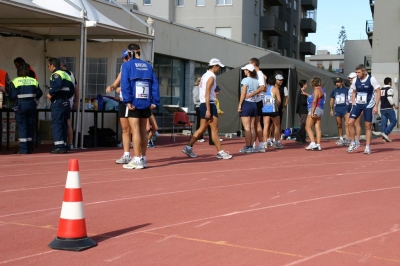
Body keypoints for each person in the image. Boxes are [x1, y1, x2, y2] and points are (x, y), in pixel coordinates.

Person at [182, 58, 232, 160]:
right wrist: (208, 110)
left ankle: (188, 147)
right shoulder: (211, 77)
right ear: (215, 66)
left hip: (204, 104)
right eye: (219, 67)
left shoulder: (205, 75)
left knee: (202, 129)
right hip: (208, 104)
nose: (219, 69)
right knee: (214, 130)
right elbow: (207, 93)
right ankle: (220, 152)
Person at [121, 49, 160, 169]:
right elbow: (155, 83)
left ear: (129, 54)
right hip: (146, 102)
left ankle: (137, 159)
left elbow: (125, 83)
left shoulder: (127, 65)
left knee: (135, 130)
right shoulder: (148, 66)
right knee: (143, 130)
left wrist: (127, 100)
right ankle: (143, 158)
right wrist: (155, 101)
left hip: (134, 102)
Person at [346, 64, 381, 154]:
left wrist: (376, 105)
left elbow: (378, 91)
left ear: (364, 72)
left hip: (368, 104)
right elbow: (354, 92)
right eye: (356, 72)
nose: (357, 74)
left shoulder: (371, 79)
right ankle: (353, 143)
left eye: (359, 72)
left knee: (367, 126)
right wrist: (353, 104)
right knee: (350, 123)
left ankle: (367, 147)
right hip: (358, 104)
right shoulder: (355, 80)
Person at [8, 64, 43, 154]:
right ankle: (30, 147)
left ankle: (23, 149)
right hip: (31, 106)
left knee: (22, 126)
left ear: (18, 72)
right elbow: (39, 93)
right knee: (30, 126)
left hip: (21, 106)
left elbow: (11, 96)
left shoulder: (15, 81)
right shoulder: (33, 81)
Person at [46, 58, 74, 154]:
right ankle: (63, 145)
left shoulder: (56, 74)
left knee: (57, 123)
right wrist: (66, 96)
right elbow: (72, 89)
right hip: (66, 101)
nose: (48, 68)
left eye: (48, 66)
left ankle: (59, 146)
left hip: (58, 101)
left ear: (52, 65)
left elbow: (57, 85)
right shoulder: (66, 74)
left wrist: (50, 94)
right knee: (63, 123)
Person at [59, 58, 79, 150]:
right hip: (70, 100)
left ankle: (64, 142)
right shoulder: (71, 74)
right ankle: (69, 143)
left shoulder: (61, 74)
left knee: (64, 121)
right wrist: (76, 101)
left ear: (61, 65)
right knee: (67, 121)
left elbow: (76, 89)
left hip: (64, 100)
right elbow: (76, 89)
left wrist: (76, 101)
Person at [238, 64, 259, 153]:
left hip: (246, 103)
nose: (244, 71)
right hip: (254, 104)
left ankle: (248, 146)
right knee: (252, 127)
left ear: (248, 71)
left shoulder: (245, 80)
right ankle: (251, 146)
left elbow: (243, 93)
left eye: (245, 70)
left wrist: (239, 104)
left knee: (246, 127)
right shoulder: (256, 81)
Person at [247, 58, 266, 151]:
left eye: (249, 64)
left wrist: (251, 94)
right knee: (253, 124)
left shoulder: (259, 74)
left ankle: (261, 144)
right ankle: (253, 143)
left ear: (253, 64)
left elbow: (262, 87)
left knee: (257, 123)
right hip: (255, 99)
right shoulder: (258, 74)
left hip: (257, 100)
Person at [305, 77, 326, 151]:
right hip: (321, 109)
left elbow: (314, 101)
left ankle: (313, 143)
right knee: (317, 128)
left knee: (307, 127)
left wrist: (312, 112)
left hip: (315, 109)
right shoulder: (323, 90)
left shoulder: (316, 90)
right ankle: (318, 144)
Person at [262, 75, 282, 149]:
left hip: (265, 110)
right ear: (275, 82)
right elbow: (279, 101)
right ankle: (276, 142)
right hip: (273, 110)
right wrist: (277, 105)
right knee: (277, 126)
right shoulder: (275, 89)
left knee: (266, 126)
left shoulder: (264, 89)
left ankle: (265, 142)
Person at [329, 77, 350, 146]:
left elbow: (349, 99)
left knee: (347, 124)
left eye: (338, 82)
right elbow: (331, 100)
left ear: (342, 82)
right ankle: (341, 138)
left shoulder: (346, 90)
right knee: (339, 124)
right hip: (337, 109)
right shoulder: (334, 91)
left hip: (345, 108)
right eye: (336, 83)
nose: (337, 84)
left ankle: (347, 138)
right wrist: (331, 109)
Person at [346, 72, 362, 148]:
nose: (350, 79)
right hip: (350, 105)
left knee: (356, 124)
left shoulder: (358, 86)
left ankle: (357, 140)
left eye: (351, 78)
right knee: (349, 123)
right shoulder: (351, 86)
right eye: (349, 78)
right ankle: (351, 139)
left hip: (357, 105)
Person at [380, 77, 398, 142]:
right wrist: (394, 105)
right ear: (389, 82)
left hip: (382, 108)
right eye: (391, 82)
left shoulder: (381, 89)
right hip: (389, 108)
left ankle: (384, 138)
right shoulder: (390, 89)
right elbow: (389, 98)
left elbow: (380, 98)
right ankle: (385, 133)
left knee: (384, 122)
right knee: (394, 121)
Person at [295, 79, 309, 144]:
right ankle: (298, 137)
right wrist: (309, 101)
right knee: (303, 124)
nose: (307, 85)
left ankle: (303, 138)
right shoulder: (302, 92)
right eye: (306, 84)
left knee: (305, 124)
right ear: (303, 85)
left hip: (303, 110)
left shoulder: (303, 91)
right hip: (303, 110)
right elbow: (302, 102)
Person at [192, 77, 205, 142]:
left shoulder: (202, 89)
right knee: (199, 122)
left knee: (203, 122)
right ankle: (198, 137)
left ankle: (200, 137)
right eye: (201, 81)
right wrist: (205, 97)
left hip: (202, 106)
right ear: (198, 82)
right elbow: (196, 98)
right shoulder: (196, 88)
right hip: (198, 106)